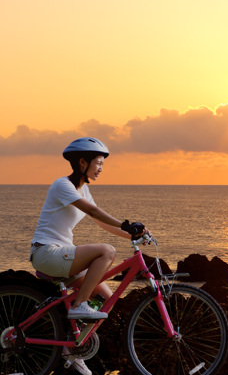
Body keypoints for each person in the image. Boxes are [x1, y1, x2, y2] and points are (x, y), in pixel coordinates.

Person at [30, 137, 146, 375]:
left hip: (62, 256)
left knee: (107, 300)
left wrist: (134, 236)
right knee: (107, 251)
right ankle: (79, 305)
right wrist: (127, 224)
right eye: (99, 163)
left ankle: (72, 350)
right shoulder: (62, 185)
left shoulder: (83, 190)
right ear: (82, 162)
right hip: (47, 253)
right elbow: (93, 211)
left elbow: (102, 223)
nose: (101, 169)